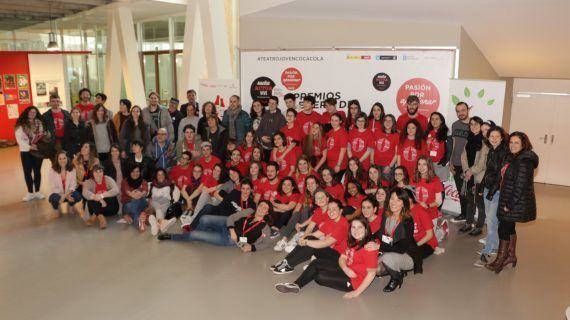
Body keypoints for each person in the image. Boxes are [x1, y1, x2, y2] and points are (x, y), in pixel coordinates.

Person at [275, 215, 378, 299]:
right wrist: (345, 268)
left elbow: (372, 274)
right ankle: (295, 285)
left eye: (360, 227)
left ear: (366, 229)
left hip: (354, 281)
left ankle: (311, 273)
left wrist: (355, 293)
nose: (356, 230)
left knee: (319, 277)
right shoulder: (353, 241)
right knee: (316, 263)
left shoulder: (369, 247)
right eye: (353, 227)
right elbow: (342, 257)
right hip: (346, 269)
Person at [486, 132, 538, 274]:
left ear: (523, 145)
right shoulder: (513, 157)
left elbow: (520, 186)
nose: (513, 145)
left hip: (514, 202)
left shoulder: (524, 161)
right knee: (509, 228)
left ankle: (500, 259)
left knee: (503, 229)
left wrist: (509, 205)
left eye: (516, 143)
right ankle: (511, 256)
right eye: (511, 142)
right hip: (508, 198)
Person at [365, 188, 423, 292]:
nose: (393, 202)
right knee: (374, 268)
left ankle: (397, 278)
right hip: (390, 250)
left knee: (383, 262)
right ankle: (398, 269)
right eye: (392, 198)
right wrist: (369, 239)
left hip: (407, 255)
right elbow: (381, 232)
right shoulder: (386, 214)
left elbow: (401, 249)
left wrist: (379, 247)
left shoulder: (407, 221)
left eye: (398, 200)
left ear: (403, 203)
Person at [159, 201, 273, 253]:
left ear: (267, 212)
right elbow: (231, 218)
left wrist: (252, 248)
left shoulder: (265, 227)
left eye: (265, 208)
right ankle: (199, 235)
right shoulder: (249, 211)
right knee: (204, 219)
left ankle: (173, 237)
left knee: (194, 234)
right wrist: (232, 229)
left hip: (230, 240)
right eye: (261, 205)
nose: (261, 208)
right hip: (227, 225)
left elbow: (267, 243)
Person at [271, 199, 349, 274]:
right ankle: (286, 262)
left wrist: (307, 241)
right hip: (329, 250)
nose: (331, 212)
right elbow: (317, 233)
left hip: (338, 257)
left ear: (341, 210)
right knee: (309, 238)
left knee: (311, 243)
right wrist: (304, 238)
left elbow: (325, 243)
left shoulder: (342, 225)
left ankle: (289, 265)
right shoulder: (331, 220)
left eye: (334, 209)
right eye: (329, 209)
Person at [474, 126, 509, 267]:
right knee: (492, 220)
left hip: (496, 191)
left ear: (501, 138)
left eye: (497, 136)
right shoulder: (492, 151)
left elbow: (501, 175)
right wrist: (482, 187)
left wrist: (492, 191)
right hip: (488, 189)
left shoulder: (504, 152)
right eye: (491, 136)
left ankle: (487, 251)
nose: (494, 139)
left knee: (491, 220)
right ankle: (495, 246)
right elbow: (488, 171)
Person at [273, 175, 320, 252]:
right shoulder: (305, 195)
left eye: (312, 183)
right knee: (297, 213)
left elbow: (317, 216)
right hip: (304, 223)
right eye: (308, 183)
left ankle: (298, 238)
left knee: (306, 208)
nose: (310, 185)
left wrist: (301, 224)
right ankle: (284, 240)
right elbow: (296, 209)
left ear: (317, 185)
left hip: (315, 224)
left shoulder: (320, 195)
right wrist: (294, 220)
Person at [459, 117, 488, 236]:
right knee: (470, 202)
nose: (473, 126)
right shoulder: (468, 139)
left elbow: (482, 163)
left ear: (481, 125)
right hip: (469, 175)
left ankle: (479, 226)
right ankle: (468, 223)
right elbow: (463, 156)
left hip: (479, 177)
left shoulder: (485, 141)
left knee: (480, 204)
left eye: (476, 124)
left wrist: (471, 171)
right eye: (471, 124)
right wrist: (466, 170)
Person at [15, 106, 46, 201]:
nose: (33, 113)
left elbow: (42, 136)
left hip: (37, 151)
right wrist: (29, 147)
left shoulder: (40, 123)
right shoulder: (21, 124)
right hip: (25, 151)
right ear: (27, 113)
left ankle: (37, 191)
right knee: (27, 172)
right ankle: (30, 193)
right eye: (31, 112)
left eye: (35, 112)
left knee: (37, 171)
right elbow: (19, 139)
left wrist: (39, 145)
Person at [449, 102, 471, 223]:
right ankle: (463, 214)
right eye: (458, 111)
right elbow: (453, 143)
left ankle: (470, 218)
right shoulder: (454, 125)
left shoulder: (474, 124)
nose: (460, 113)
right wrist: (450, 161)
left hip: (468, 165)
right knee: (460, 191)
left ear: (468, 110)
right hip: (456, 163)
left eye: (463, 110)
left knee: (469, 192)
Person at [82, 165, 120, 229]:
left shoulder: (108, 179)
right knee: (91, 199)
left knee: (111, 197)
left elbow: (116, 190)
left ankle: (94, 216)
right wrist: (98, 198)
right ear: (92, 173)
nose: (98, 173)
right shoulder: (88, 182)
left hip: (111, 209)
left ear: (103, 172)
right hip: (96, 207)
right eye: (96, 172)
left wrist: (101, 196)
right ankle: (101, 219)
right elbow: (85, 193)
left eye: (100, 171)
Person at [48, 151, 84, 218]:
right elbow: (53, 187)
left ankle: (71, 205)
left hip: (68, 193)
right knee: (53, 198)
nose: (62, 160)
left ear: (67, 159)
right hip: (58, 194)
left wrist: (64, 196)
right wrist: (64, 196)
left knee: (78, 196)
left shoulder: (72, 169)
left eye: (64, 158)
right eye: (60, 159)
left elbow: (73, 185)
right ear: (57, 160)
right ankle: (56, 208)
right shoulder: (52, 170)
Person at [146, 168, 181, 235]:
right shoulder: (151, 185)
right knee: (157, 207)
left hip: (165, 204)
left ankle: (156, 224)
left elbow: (175, 199)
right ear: (156, 176)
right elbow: (148, 197)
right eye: (158, 175)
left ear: (165, 175)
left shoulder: (171, 186)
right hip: (154, 203)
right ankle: (163, 222)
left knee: (160, 210)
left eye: (162, 174)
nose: (160, 176)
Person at [410, 156, 443, 222]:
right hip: (415, 214)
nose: (421, 167)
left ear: (429, 166)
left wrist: (428, 205)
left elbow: (439, 202)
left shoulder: (435, 180)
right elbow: (411, 197)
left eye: (424, 164)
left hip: (430, 215)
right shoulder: (413, 178)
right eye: (419, 164)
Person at [315, 113, 348, 180]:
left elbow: (343, 150)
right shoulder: (330, 132)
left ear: (340, 122)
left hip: (339, 165)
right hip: (330, 164)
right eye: (332, 120)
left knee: (336, 184)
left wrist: (338, 165)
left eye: (336, 120)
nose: (334, 122)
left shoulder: (342, 133)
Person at [120, 164, 149, 230]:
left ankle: (135, 220)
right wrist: (138, 194)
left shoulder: (143, 181)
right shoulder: (125, 181)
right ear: (129, 172)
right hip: (128, 205)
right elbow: (128, 192)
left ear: (140, 172)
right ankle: (140, 221)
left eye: (137, 171)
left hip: (142, 203)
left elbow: (145, 192)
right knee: (135, 206)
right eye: (133, 171)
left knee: (138, 201)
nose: (135, 173)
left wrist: (138, 194)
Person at [372, 114, 399, 182]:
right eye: (386, 120)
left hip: (387, 166)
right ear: (383, 122)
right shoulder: (377, 132)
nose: (387, 123)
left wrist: (390, 166)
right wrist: (372, 162)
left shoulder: (396, 135)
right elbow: (372, 148)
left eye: (390, 121)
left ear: (393, 123)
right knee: (376, 185)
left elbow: (397, 153)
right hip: (376, 164)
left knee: (387, 187)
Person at [425, 112, 449, 181]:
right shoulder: (427, 133)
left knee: (440, 188)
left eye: (437, 119)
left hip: (440, 165)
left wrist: (445, 161)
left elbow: (450, 150)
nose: (434, 121)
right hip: (429, 165)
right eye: (432, 119)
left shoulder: (446, 133)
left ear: (441, 121)